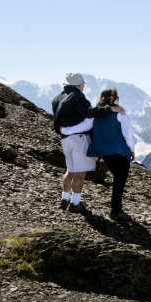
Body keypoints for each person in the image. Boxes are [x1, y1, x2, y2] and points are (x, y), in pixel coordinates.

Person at [52, 73, 124, 213]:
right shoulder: (77, 95)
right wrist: (110, 109)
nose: (83, 87)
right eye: (83, 84)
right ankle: (76, 203)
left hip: (65, 140)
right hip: (79, 139)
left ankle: (65, 198)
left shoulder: (57, 98)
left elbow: (56, 120)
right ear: (79, 85)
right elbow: (89, 112)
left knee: (70, 170)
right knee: (80, 173)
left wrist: (63, 130)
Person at [86, 88, 136, 222]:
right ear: (113, 99)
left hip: (105, 153)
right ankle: (116, 211)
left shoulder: (96, 115)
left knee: (117, 179)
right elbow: (128, 135)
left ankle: (116, 208)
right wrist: (132, 150)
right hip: (120, 151)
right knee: (120, 180)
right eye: (117, 97)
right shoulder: (121, 114)